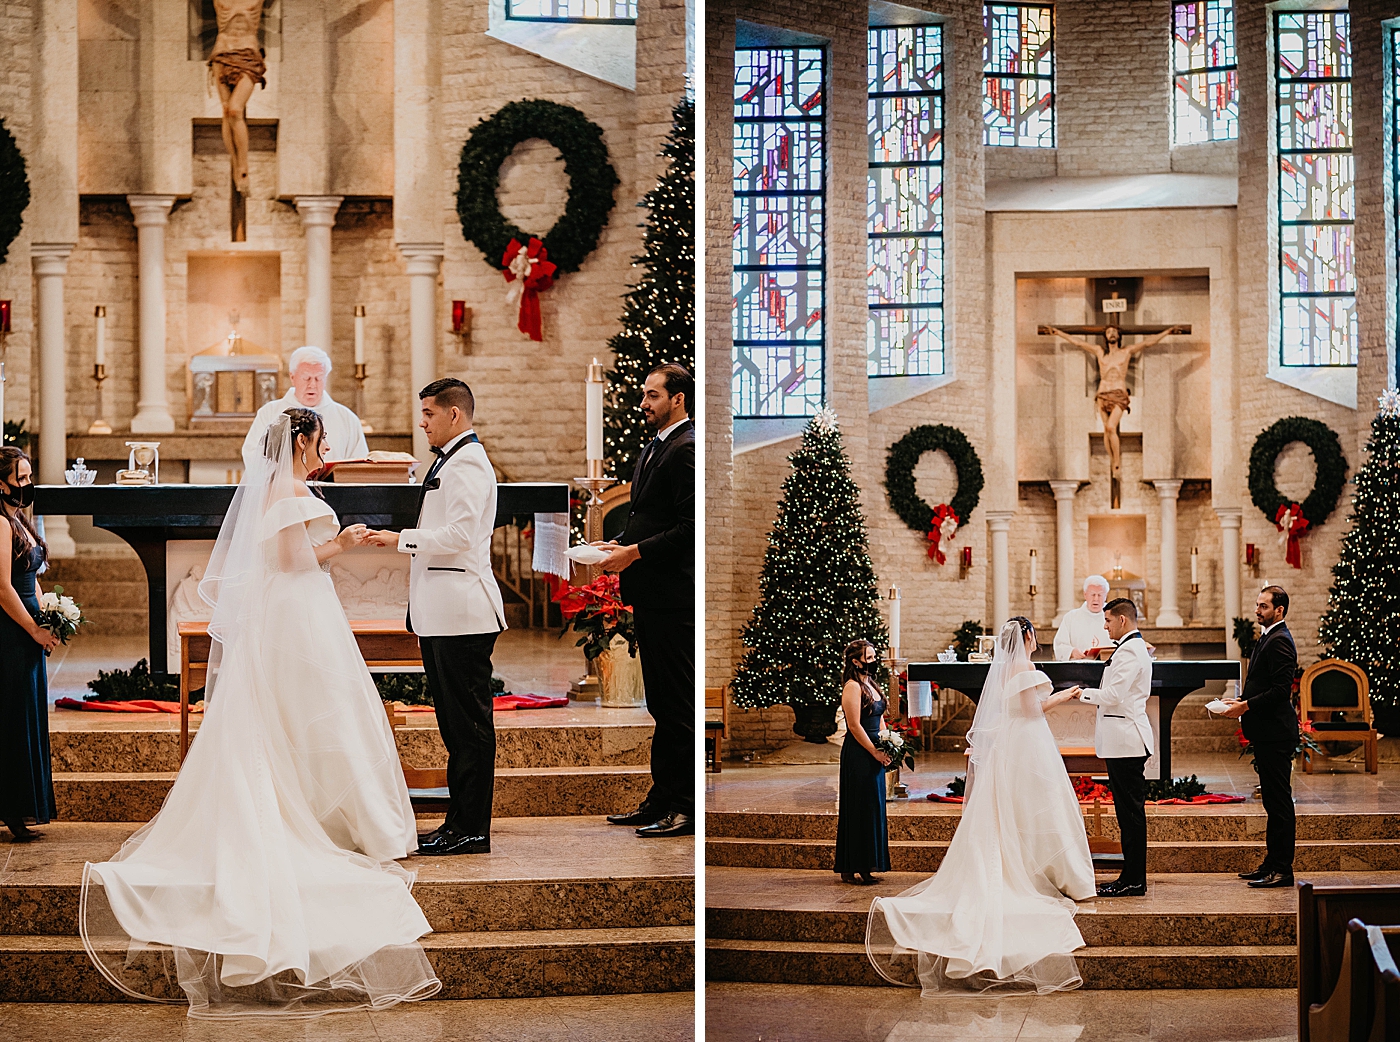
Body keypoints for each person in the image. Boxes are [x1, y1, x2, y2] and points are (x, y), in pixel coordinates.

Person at [80, 409, 439, 1018]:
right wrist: (343, 543)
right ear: (300, 441)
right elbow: (295, 561)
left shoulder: (283, 487)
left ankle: (330, 813)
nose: (327, 447)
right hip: (300, 608)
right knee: (314, 710)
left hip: (299, 609)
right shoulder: (286, 490)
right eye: (321, 439)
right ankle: (338, 823)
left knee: (309, 714)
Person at [867, 617, 1094, 994]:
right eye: (1034, 632)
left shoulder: (1008, 667)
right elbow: (1031, 709)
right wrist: (1064, 697)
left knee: (1022, 808)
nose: (1037, 638)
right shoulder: (1021, 665)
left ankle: (1046, 868)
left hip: (1018, 741)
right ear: (1025, 637)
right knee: (1039, 806)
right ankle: (1055, 873)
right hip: (1027, 742)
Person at [368, 379, 505, 856]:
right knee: (454, 727)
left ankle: (471, 828)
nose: (421, 421)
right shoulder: (451, 459)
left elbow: (462, 535)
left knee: (468, 729)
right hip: (443, 615)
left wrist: (398, 539)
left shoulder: (467, 463)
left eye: (428, 413)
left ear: (454, 415)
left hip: (462, 614)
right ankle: (458, 823)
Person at [596, 363, 696, 838]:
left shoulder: (686, 449)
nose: (643, 404)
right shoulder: (655, 448)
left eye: (652, 395)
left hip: (675, 598)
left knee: (677, 705)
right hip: (653, 596)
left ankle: (684, 805)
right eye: (644, 395)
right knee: (661, 703)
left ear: (677, 398)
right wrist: (616, 545)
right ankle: (661, 798)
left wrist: (633, 553)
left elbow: (689, 530)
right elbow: (650, 518)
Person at [1075, 597, 1155, 897]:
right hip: (1122, 742)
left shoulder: (1131, 651)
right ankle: (1131, 877)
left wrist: (1082, 694)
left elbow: (1113, 695)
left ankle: (1134, 880)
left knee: (1131, 816)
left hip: (1127, 742)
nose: (1105, 625)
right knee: (1127, 814)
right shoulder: (1128, 649)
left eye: (1108, 620)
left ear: (1122, 620)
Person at [1220, 585, 1297, 889]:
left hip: (1276, 733)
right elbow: (1260, 681)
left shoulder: (1280, 641)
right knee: (1272, 804)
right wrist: (1238, 702)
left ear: (1279, 610)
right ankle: (1270, 864)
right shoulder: (1268, 637)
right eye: (1257, 605)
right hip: (1267, 733)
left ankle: (1282, 869)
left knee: (1279, 804)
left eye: (1263, 606)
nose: (1257, 610)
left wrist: (1245, 705)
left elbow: (1280, 691)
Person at [0, 447, 59, 842]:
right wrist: (33, 629)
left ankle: (20, 806)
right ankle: (11, 809)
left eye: (28, 476)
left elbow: (30, 576)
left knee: (26, 717)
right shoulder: (0, 524)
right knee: (11, 721)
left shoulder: (18, 520)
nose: (26, 484)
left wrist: (51, 615)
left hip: (28, 631)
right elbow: (3, 588)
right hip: (10, 633)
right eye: (20, 478)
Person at [241, 347, 368, 470]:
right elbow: (254, 456)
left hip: (333, 491)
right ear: (292, 377)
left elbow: (358, 466)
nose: (312, 384)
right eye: (306, 378)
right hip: (285, 490)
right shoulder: (269, 413)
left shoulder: (347, 418)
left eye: (318, 378)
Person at [834, 639, 892, 886]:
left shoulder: (871, 684)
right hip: (859, 753)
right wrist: (873, 751)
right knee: (858, 807)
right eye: (868, 657)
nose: (873, 661)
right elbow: (855, 725)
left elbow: (879, 719)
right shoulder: (852, 687)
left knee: (872, 808)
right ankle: (851, 866)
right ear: (855, 661)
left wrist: (889, 744)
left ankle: (867, 864)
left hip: (874, 751)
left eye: (874, 656)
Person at [209, 0, 267, 195]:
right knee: (227, 111)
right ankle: (235, 164)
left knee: (235, 109)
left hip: (248, 54)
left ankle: (243, 166)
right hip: (222, 52)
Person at [1052, 575, 1113, 660]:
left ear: (1106, 596)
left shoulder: (1113, 616)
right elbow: (1059, 645)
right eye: (1092, 594)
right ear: (1085, 595)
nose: (1096, 599)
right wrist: (1071, 652)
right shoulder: (1071, 617)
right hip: (1078, 668)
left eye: (1100, 595)